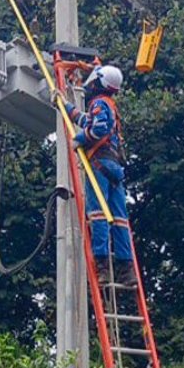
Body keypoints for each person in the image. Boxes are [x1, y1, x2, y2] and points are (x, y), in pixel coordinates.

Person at [59, 64, 137, 287]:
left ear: (98, 81)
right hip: (114, 167)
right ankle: (126, 269)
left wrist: (80, 140)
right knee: (120, 218)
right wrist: (64, 105)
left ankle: (102, 265)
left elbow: (97, 130)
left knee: (99, 214)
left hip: (100, 164)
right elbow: (86, 121)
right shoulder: (109, 105)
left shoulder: (98, 103)